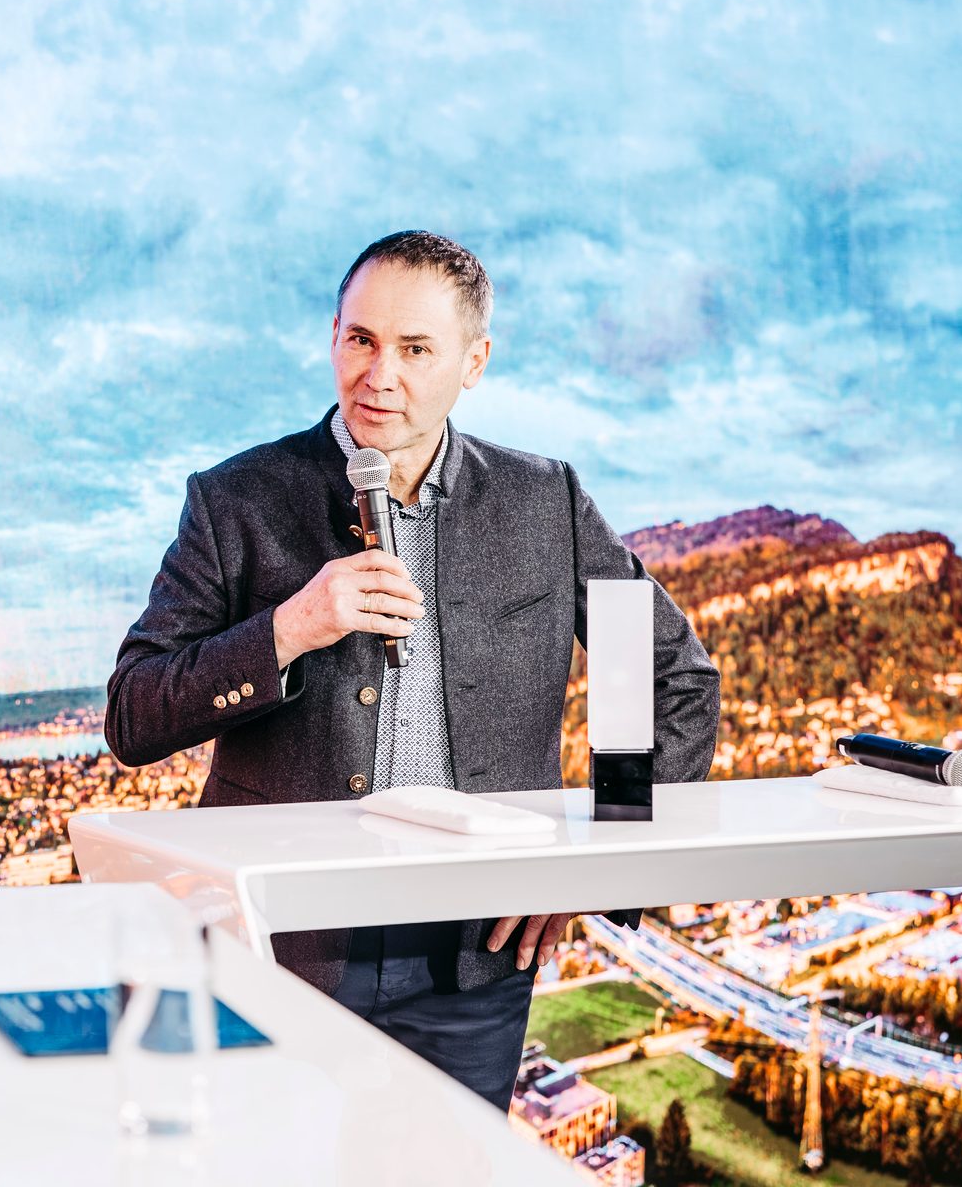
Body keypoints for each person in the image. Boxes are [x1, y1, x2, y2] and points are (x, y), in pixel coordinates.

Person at [106, 229, 720, 1108]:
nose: (378, 374)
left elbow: (668, 679)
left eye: (415, 349)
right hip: (281, 947)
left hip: (475, 961)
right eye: (360, 340)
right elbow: (133, 713)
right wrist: (287, 628)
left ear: (474, 362)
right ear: (333, 337)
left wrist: (595, 866)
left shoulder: (545, 501)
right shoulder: (237, 499)